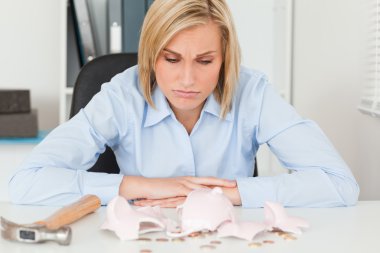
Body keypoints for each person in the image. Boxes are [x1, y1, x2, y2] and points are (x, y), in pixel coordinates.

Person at [9, 0, 359, 208]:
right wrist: (140, 186)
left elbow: (339, 184)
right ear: (150, 56)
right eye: (171, 59)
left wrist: (229, 194)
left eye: (205, 61)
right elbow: (26, 183)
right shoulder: (121, 95)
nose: (187, 80)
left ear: (225, 59)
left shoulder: (252, 92)